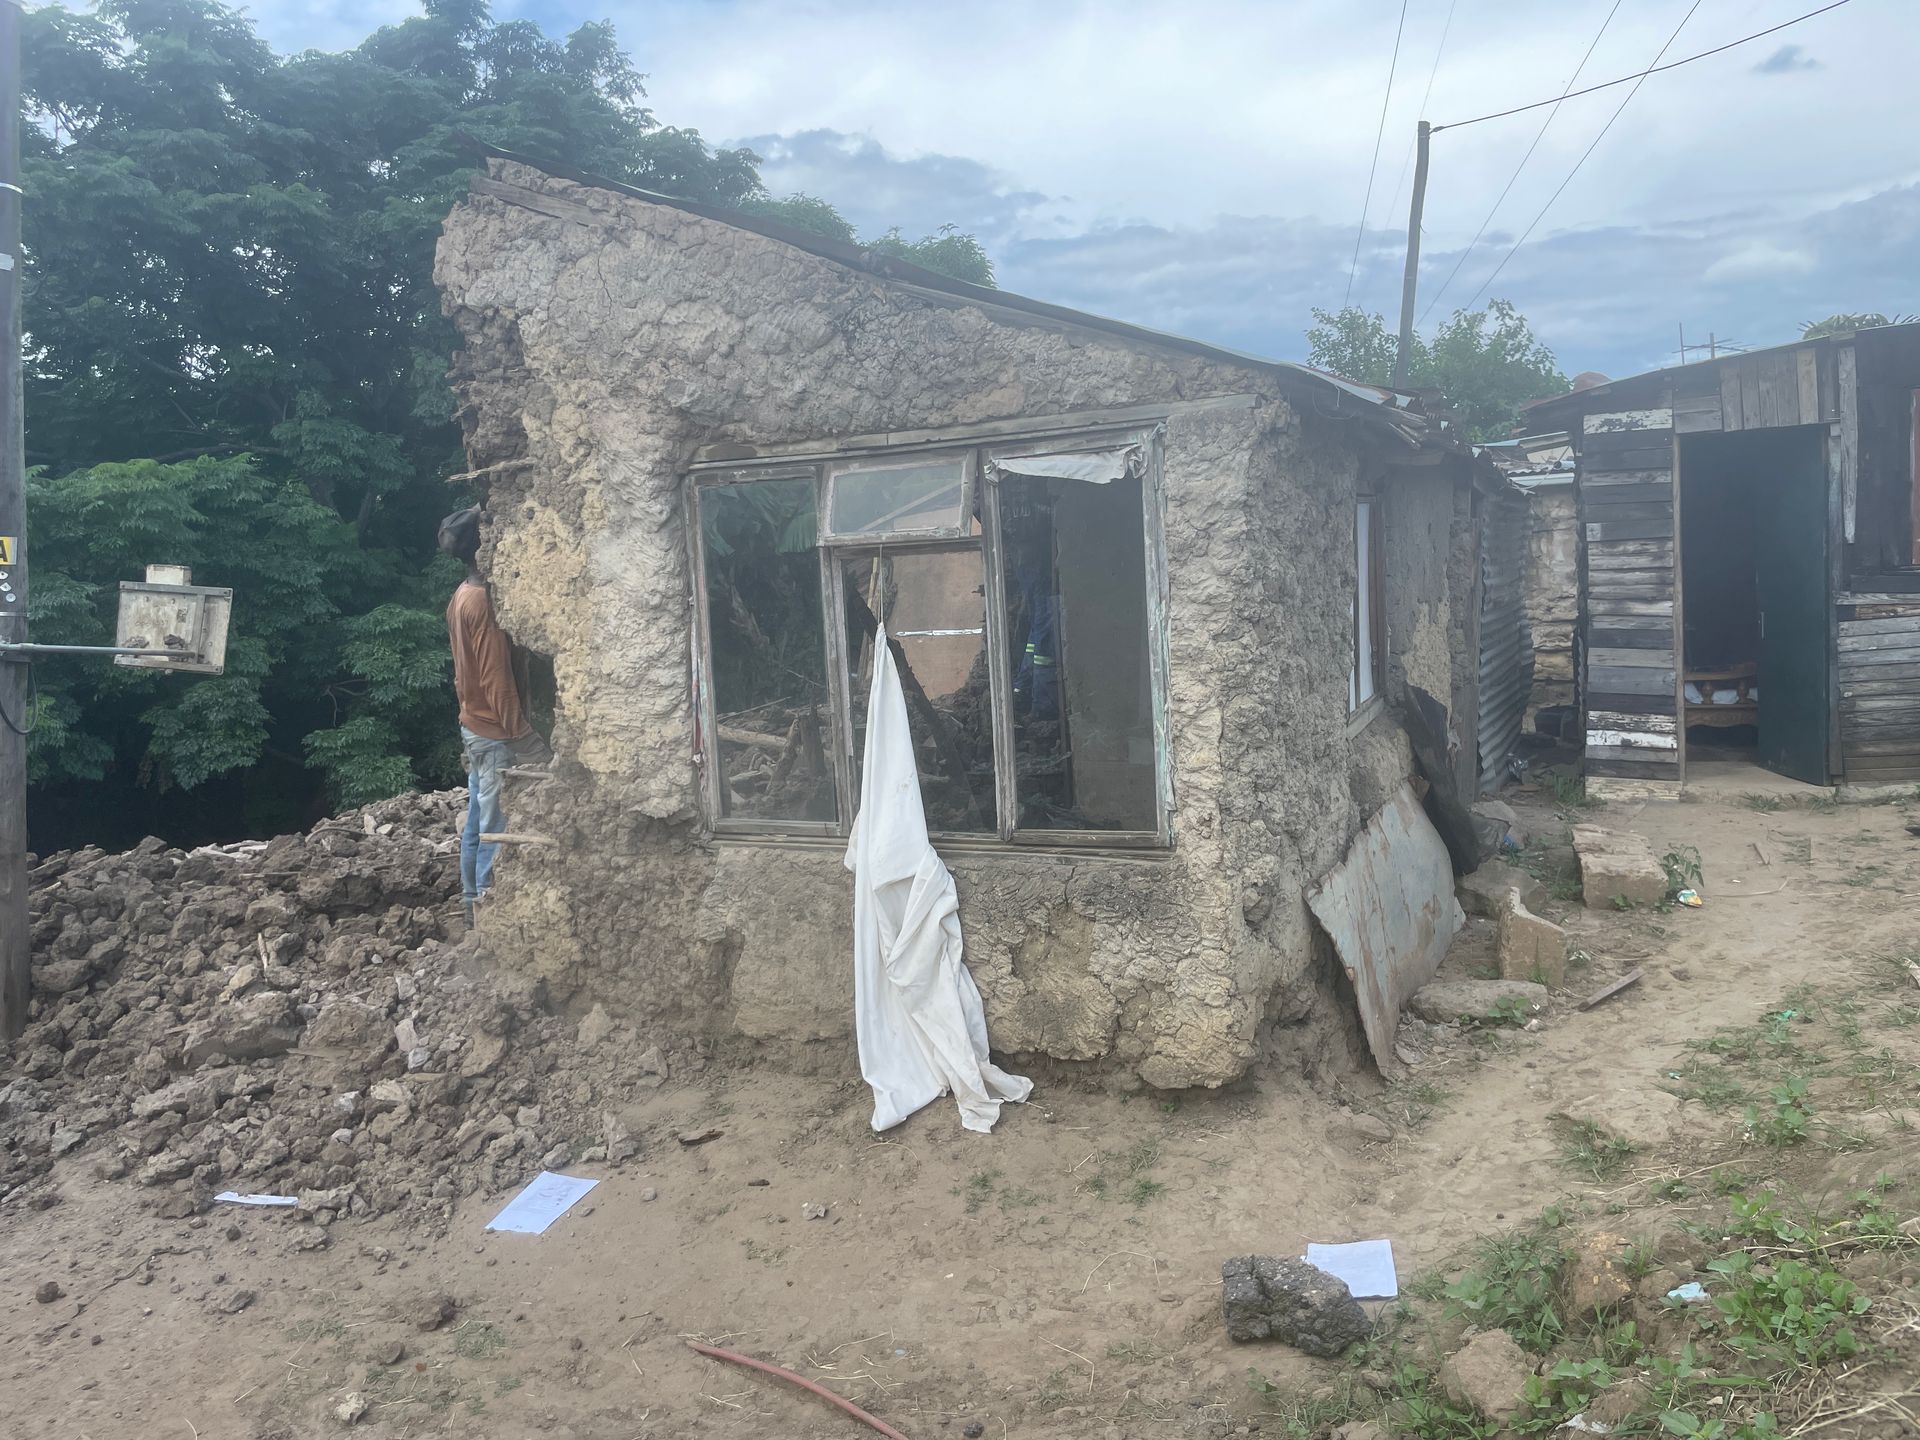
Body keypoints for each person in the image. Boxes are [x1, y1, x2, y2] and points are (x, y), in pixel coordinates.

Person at [439, 506, 539, 919]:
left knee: (478, 824)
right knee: (495, 830)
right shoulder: (482, 603)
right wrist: (527, 740)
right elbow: (497, 678)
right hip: (495, 733)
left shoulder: (461, 594)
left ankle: (470, 905)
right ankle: (487, 912)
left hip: (473, 727)